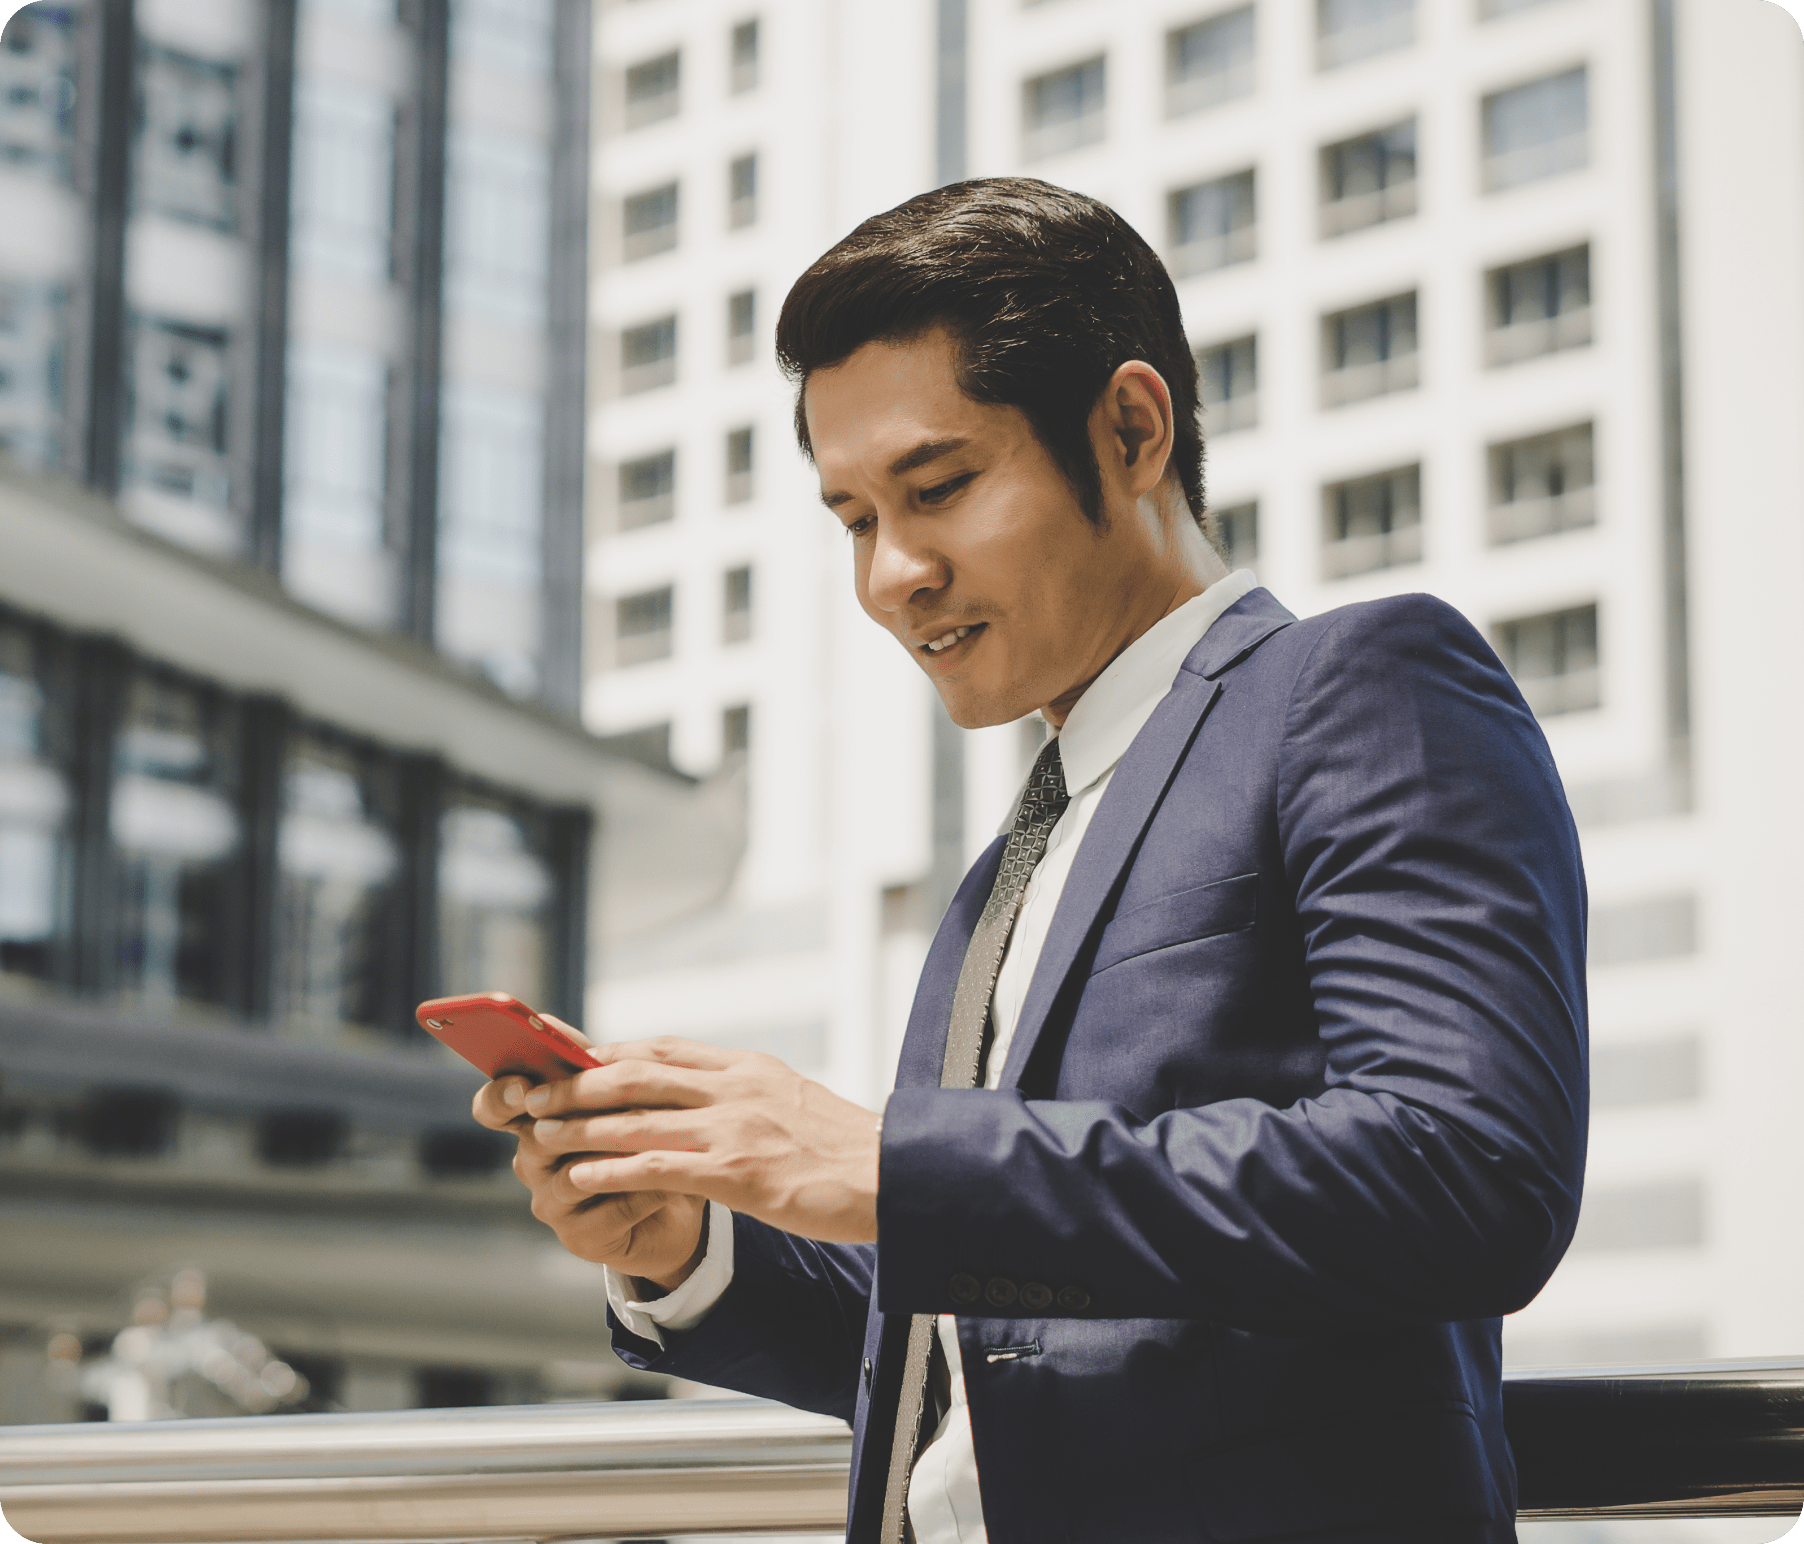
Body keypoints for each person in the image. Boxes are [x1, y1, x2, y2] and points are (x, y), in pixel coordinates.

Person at [472, 177, 1588, 1544]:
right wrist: (696, 1246)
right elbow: (982, 1361)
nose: (893, 575)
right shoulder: (1013, 865)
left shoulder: (1358, 686)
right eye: (853, 520)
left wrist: (895, 1167)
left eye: (936, 489)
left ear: (1130, 429)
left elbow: (1465, 1175)